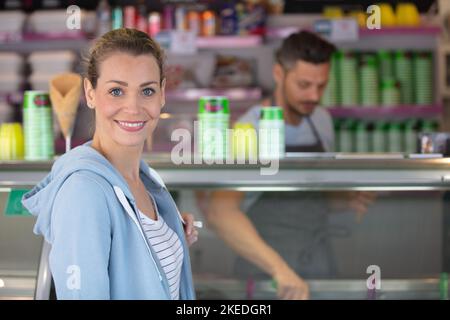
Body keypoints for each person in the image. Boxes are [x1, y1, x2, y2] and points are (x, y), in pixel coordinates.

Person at [22, 29, 198, 300]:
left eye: (147, 90)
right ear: (90, 93)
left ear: (162, 93)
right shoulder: (84, 192)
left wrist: (170, 232)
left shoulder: (144, 181)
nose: (133, 107)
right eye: (116, 91)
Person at [202, 30, 375, 300]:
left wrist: (345, 199)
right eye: (304, 85)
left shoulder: (321, 120)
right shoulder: (250, 129)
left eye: (321, 85)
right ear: (279, 74)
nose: (314, 96)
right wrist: (279, 270)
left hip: (319, 261)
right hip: (267, 273)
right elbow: (221, 213)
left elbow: (311, 193)